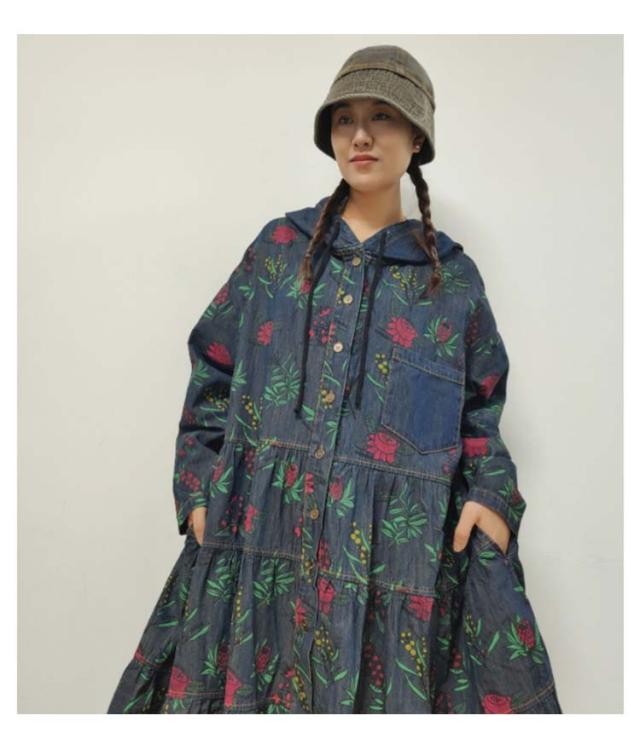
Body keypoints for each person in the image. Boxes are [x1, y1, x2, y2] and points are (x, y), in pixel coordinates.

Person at [108, 44, 562, 714]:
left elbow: (481, 410)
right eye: (345, 118)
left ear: (417, 138)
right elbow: (213, 365)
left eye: (382, 116)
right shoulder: (278, 251)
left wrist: (492, 496)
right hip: (260, 535)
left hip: (393, 563)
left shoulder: (451, 281)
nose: (360, 135)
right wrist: (199, 485)